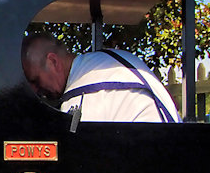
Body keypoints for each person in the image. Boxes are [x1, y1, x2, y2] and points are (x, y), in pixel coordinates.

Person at [21, 33, 181, 123]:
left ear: (53, 62)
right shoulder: (114, 58)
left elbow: (81, 157)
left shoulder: (82, 95)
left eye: (35, 80)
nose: (35, 90)